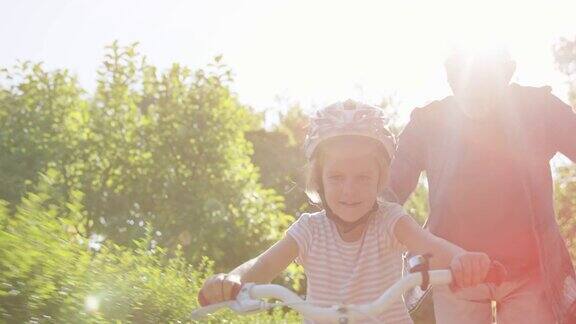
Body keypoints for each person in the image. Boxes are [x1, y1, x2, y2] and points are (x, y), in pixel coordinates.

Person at [197, 99, 492, 323]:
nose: (349, 190)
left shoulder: (390, 221)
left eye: (363, 177)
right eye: (337, 178)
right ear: (319, 180)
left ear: (381, 179)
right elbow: (262, 266)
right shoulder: (309, 230)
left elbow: (433, 247)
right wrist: (232, 280)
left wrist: (465, 261)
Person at [387, 47, 576, 323]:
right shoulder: (429, 121)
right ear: (450, 79)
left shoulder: (539, 108)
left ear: (507, 75)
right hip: (455, 270)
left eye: (487, 77)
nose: (476, 87)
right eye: (465, 77)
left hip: (531, 271)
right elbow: (389, 190)